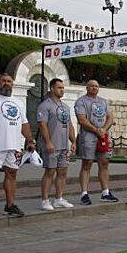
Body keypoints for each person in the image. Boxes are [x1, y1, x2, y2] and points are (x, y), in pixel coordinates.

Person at [0, 74, 36, 219]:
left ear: (12, 84)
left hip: (14, 146)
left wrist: (29, 140)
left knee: (12, 174)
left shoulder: (18, 102)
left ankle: (10, 205)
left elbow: (24, 124)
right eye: (3, 81)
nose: (6, 83)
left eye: (9, 81)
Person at [75, 79, 118, 205]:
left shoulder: (103, 102)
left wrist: (103, 130)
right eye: (92, 86)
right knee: (87, 163)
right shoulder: (81, 101)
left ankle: (105, 192)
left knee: (104, 163)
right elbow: (82, 120)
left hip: (103, 136)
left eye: (96, 86)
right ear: (87, 88)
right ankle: (84, 194)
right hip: (88, 136)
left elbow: (110, 117)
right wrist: (96, 130)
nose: (94, 88)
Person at [38, 78, 76, 211]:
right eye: (59, 88)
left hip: (64, 146)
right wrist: (48, 142)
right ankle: (45, 200)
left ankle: (59, 199)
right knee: (50, 172)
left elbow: (70, 125)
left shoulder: (65, 106)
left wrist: (73, 141)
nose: (62, 90)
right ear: (52, 89)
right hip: (51, 146)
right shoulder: (45, 105)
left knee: (63, 172)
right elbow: (42, 125)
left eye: (63, 88)